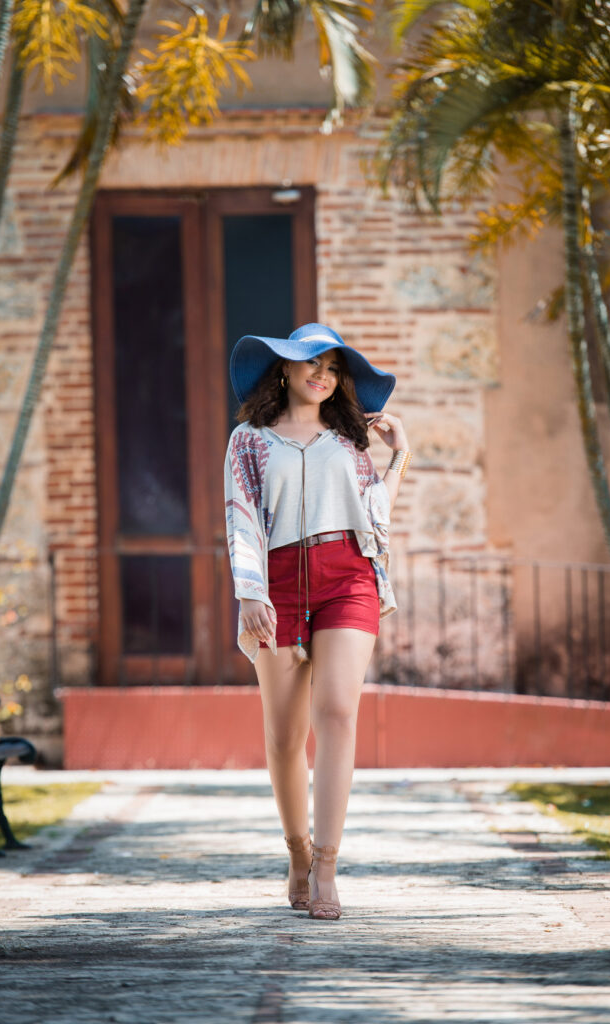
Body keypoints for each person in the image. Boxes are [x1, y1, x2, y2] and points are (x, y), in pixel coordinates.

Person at [224, 322, 411, 920]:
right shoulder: (248, 441)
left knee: (337, 711)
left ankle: (328, 867)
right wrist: (249, 591)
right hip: (275, 583)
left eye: (332, 367)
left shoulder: (350, 444)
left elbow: (374, 518)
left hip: (347, 577)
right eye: (310, 363)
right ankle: (298, 852)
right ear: (283, 369)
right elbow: (241, 518)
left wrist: (399, 458)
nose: (321, 374)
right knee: (283, 736)